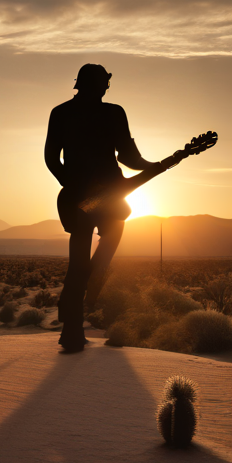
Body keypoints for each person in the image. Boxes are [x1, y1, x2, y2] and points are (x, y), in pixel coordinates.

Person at [45, 64, 158, 352]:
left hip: (88, 195)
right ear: (98, 85)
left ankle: (73, 323)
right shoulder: (110, 112)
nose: (106, 87)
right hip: (101, 195)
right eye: (104, 82)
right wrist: (151, 166)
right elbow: (130, 157)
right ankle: (75, 324)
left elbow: (52, 159)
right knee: (93, 254)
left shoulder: (64, 112)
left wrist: (152, 166)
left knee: (80, 264)